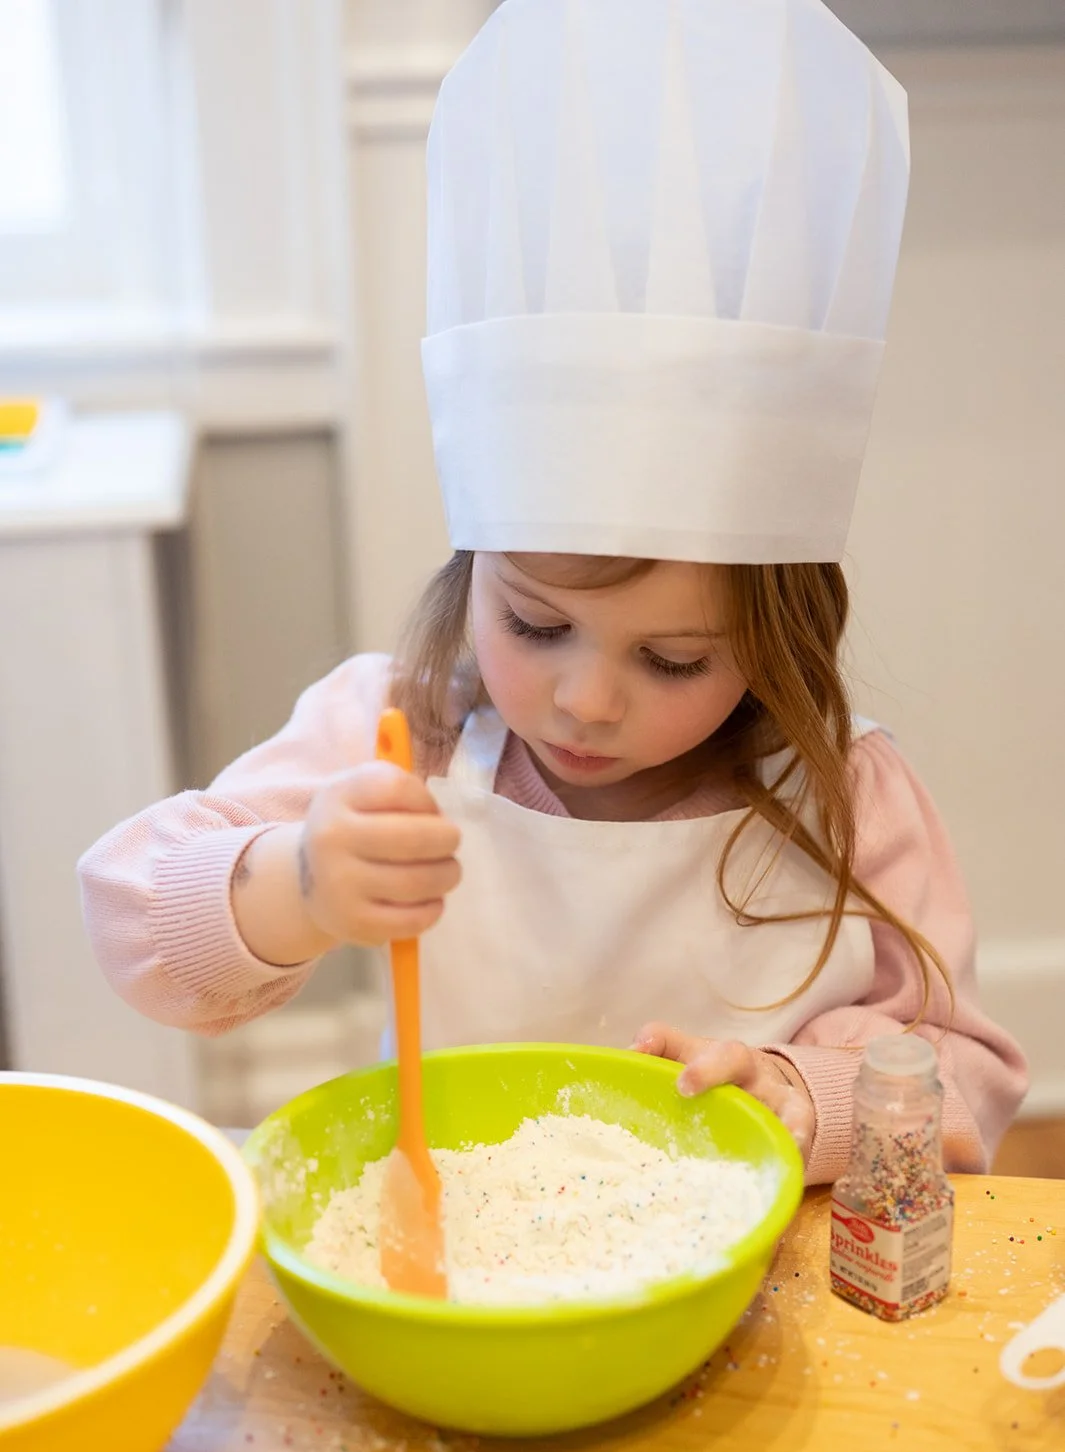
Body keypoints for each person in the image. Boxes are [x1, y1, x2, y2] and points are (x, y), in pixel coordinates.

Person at [79, 0, 1027, 1183]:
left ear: (778, 642)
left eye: (673, 659)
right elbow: (130, 918)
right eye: (535, 623)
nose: (585, 701)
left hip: (748, 1294)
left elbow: (971, 1080)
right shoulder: (406, 731)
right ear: (474, 570)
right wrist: (302, 882)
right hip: (462, 1272)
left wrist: (801, 1094)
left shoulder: (849, 796)